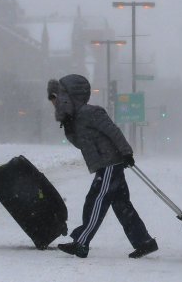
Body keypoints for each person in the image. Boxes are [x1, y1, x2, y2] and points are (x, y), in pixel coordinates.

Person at [49, 74, 157, 259]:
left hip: (109, 163)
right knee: (121, 204)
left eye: (57, 97)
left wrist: (126, 152)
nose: (54, 103)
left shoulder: (91, 112)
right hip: (105, 164)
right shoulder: (74, 119)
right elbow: (81, 143)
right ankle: (144, 242)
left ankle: (81, 242)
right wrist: (68, 125)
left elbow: (113, 131)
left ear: (70, 96)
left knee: (96, 201)